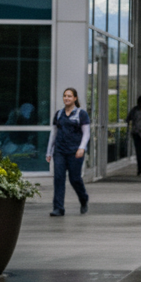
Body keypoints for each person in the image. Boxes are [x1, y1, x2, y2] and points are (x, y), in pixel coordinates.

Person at [46, 87, 90, 217]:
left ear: (75, 98)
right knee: (58, 178)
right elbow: (53, 134)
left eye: (69, 96)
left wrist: (82, 148)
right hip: (59, 151)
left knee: (74, 178)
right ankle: (58, 208)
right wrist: (49, 152)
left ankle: (84, 198)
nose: (67, 98)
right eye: (65, 96)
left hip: (75, 152)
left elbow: (86, 133)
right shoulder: (59, 114)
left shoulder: (81, 114)